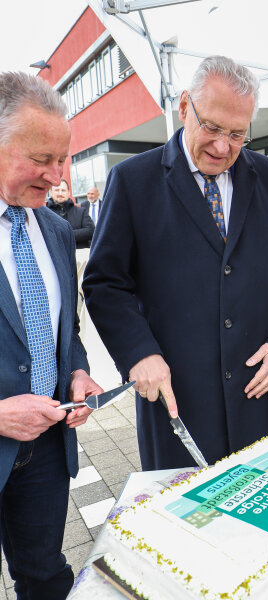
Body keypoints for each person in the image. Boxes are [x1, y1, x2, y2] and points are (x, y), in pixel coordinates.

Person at [83, 55, 268, 470]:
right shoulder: (134, 181)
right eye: (211, 127)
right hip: (176, 397)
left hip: (255, 393)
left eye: (237, 134)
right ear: (185, 107)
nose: (223, 147)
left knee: (260, 515)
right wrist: (138, 354)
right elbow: (104, 283)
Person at [0, 72, 102, 599]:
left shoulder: (58, 230)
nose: (57, 175)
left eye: (62, 159)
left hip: (44, 449)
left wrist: (78, 372)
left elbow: (69, 329)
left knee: (43, 574)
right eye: (41, 159)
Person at [47, 178, 94, 248]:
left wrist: (65, 234)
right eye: (57, 190)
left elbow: (91, 231)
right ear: (51, 192)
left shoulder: (81, 212)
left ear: (68, 192)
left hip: (79, 257)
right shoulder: (44, 214)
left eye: (63, 190)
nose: (60, 193)